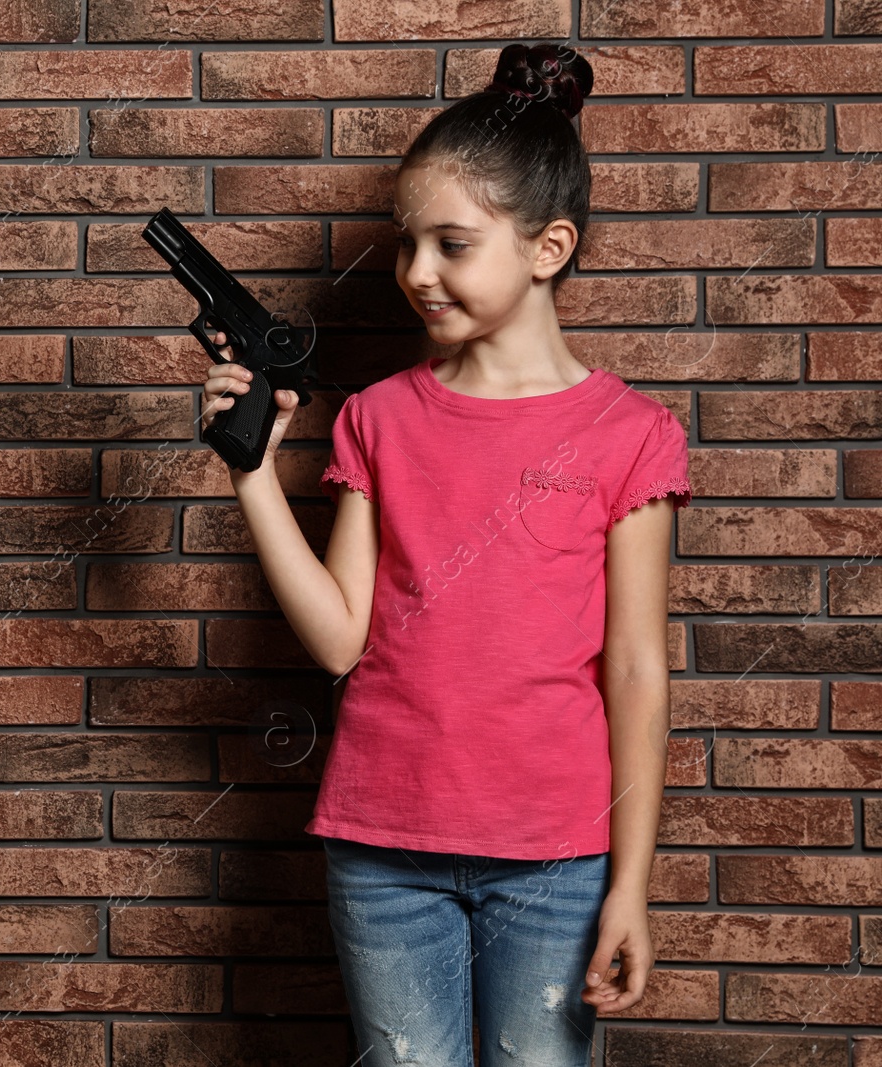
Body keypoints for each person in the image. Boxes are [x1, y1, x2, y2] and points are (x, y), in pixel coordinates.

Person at [201, 41, 689, 1067]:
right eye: (405, 243)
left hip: (554, 858)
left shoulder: (628, 433)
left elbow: (637, 672)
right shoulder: (378, 419)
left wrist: (629, 883)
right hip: (383, 848)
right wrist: (250, 472)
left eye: (452, 244)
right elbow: (340, 641)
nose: (415, 272)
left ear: (547, 246)